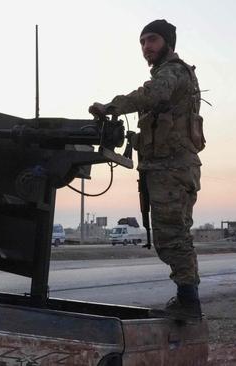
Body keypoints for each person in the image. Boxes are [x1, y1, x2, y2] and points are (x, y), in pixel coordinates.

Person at [89, 19, 205, 321]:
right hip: (165, 168)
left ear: (167, 42)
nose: (146, 47)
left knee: (173, 237)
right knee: (172, 236)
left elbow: (152, 94)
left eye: (152, 40)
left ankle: (189, 302)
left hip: (172, 170)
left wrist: (111, 106)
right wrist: (134, 139)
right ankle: (187, 298)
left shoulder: (173, 72)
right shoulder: (171, 75)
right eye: (142, 42)